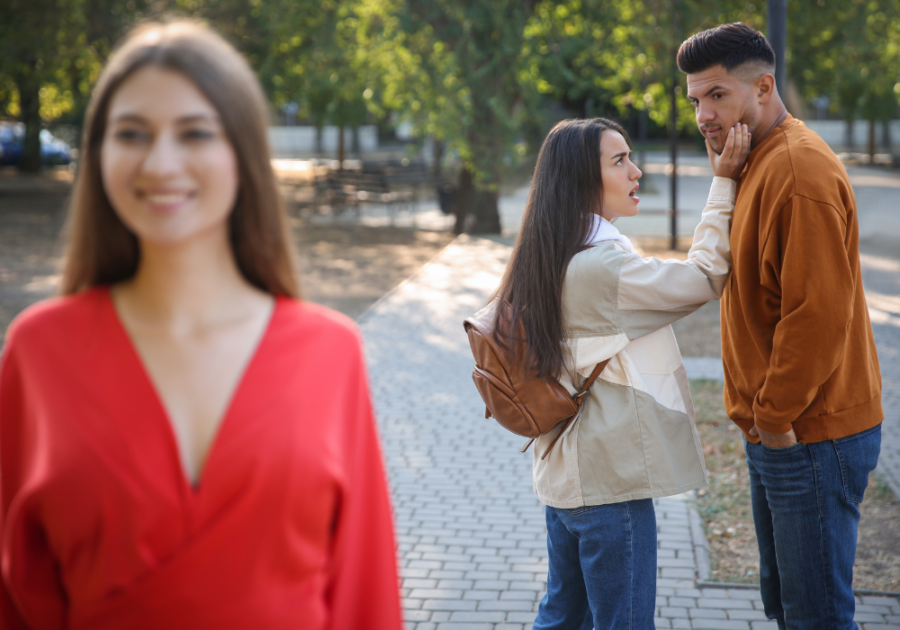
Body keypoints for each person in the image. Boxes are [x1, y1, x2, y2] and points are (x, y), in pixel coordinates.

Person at [0, 21, 402, 630]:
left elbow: (363, 596)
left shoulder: (330, 350)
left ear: (241, 153)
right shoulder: (37, 350)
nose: (161, 162)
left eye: (194, 133)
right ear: (99, 152)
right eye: (131, 133)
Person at [492, 117, 749, 630]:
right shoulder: (601, 266)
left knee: (562, 617)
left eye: (631, 157)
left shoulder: (546, 253)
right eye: (619, 161)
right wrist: (724, 182)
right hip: (609, 482)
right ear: (582, 180)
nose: (635, 171)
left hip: (565, 475)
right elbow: (702, 278)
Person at [677, 23, 883, 630]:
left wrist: (774, 421)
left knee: (815, 615)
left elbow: (815, 319)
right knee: (787, 607)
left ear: (763, 85)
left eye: (717, 95)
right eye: (694, 100)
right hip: (780, 428)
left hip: (810, 433)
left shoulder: (797, 171)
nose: (703, 115)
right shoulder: (756, 160)